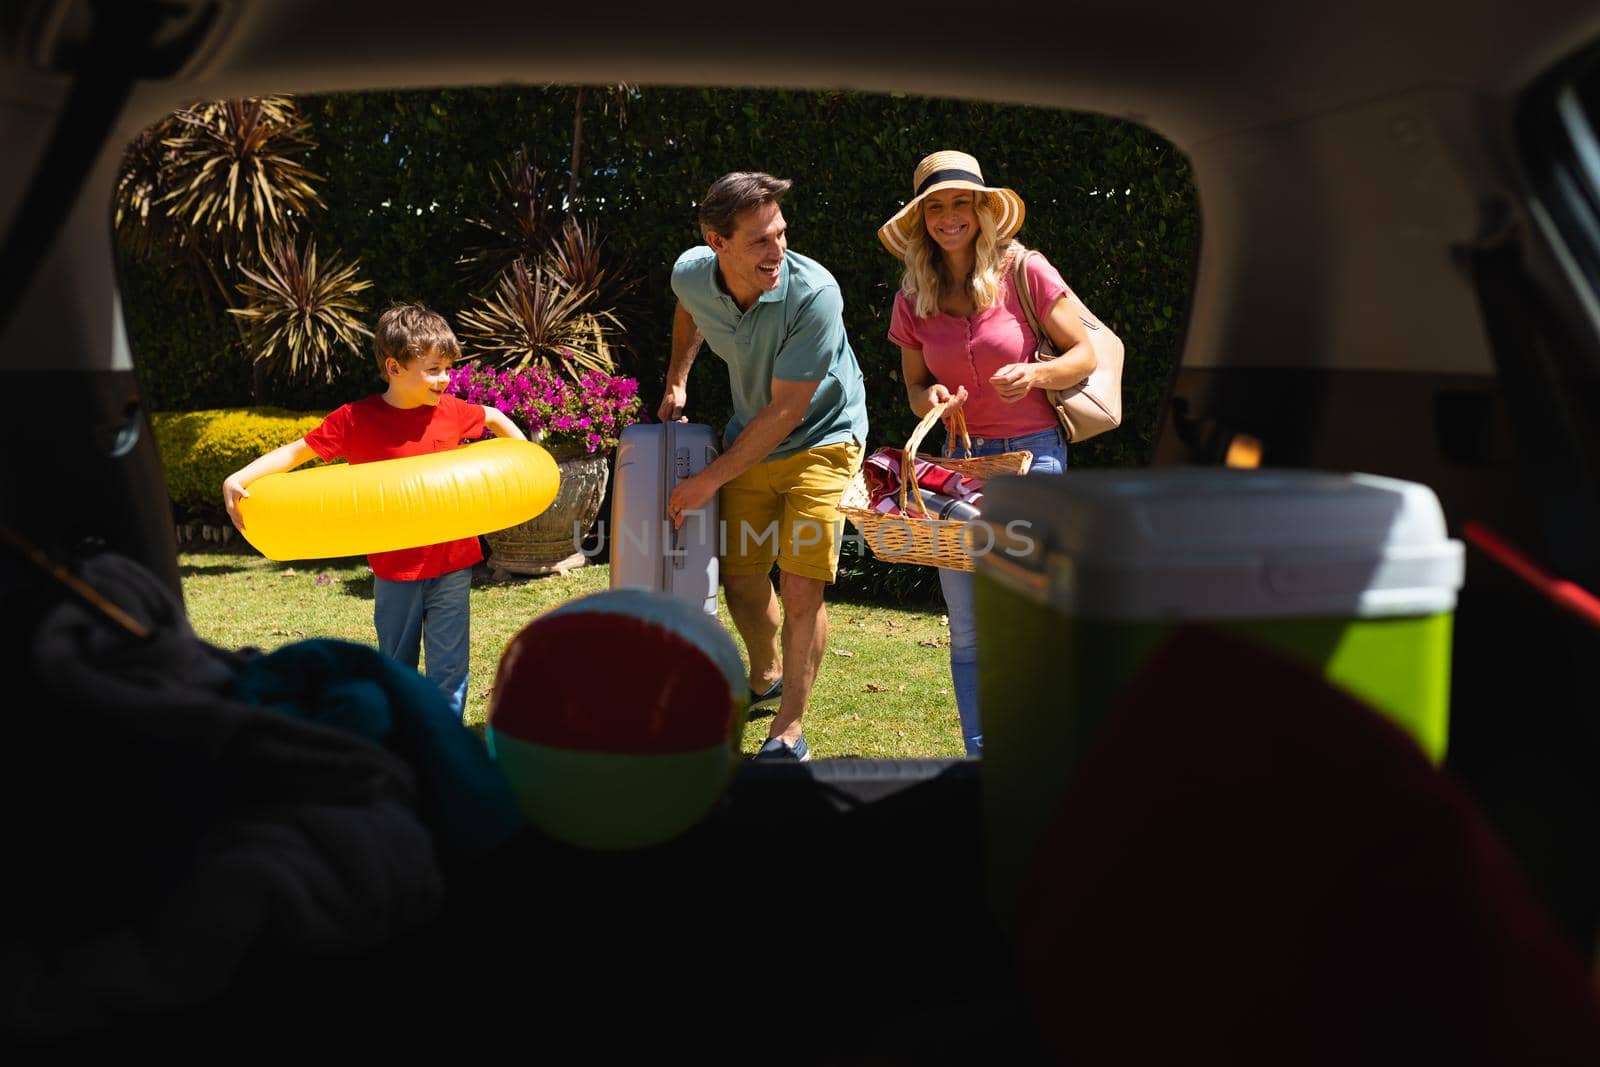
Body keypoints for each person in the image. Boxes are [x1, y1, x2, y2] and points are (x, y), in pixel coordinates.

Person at [880, 150, 1099, 756]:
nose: (949, 217)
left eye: (960, 202)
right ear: (922, 217)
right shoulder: (913, 295)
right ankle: (981, 755)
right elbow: (914, 387)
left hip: (1035, 458)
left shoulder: (1025, 270)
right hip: (959, 467)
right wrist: (933, 402)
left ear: (981, 208)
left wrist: (1036, 376)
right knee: (971, 624)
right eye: (935, 206)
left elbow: (1084, 353)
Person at [222, 303, 527, 718]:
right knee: (397, 668)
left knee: (450, 671)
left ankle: (444, 744)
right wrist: (238, 476)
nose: (446, 379)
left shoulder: (453, 412)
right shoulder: (356, 419)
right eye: (434, 369)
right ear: (394, 367)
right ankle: (403, 740)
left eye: (448, 368)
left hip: (454, 562)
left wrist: (524, 458)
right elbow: (298, 452)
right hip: (395, 570)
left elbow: (492, 417)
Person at [662, 171, 870, 761]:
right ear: (716, 241)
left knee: (803, 586)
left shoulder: (815, 293)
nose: (777, 250)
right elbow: (688, 308)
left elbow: (787, 411)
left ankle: (788, 728)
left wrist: (708, 479)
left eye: (781, 233)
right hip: (751, 437)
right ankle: (767, 671)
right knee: (742, 578)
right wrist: (677, 379)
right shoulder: (691, 272)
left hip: (824, 437)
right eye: (760, 240)